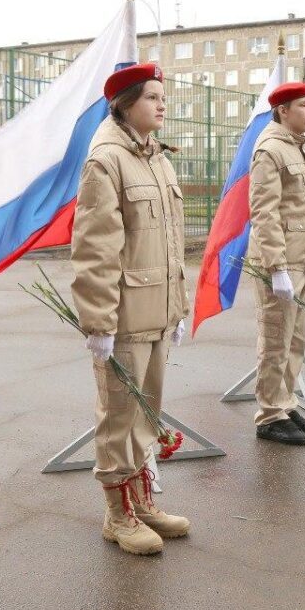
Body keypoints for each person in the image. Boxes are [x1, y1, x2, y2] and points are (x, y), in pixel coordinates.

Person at [71, 63, 190, 556]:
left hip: (156, 313)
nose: (162, 106)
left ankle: (141, 503)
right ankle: (116, 514)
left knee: (147, 411)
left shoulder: (157, 160)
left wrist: (176, 309)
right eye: (152, 98)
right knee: (120, 415)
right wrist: (98, 322)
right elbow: (96, 249)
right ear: (124, 104)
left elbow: (171, 244)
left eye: (163, 97)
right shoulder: (107, 161)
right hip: (123, 317)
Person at [247, 81, 305, 445]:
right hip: (281, 263)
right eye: (304, 105)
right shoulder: (271, 150)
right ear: (283, 110)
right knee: (276, 340)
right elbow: (265, 213)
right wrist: (276, 267)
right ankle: (269, 414)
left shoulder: (299, 150)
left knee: (296, 340)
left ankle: (285, 402)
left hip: (301, 262)